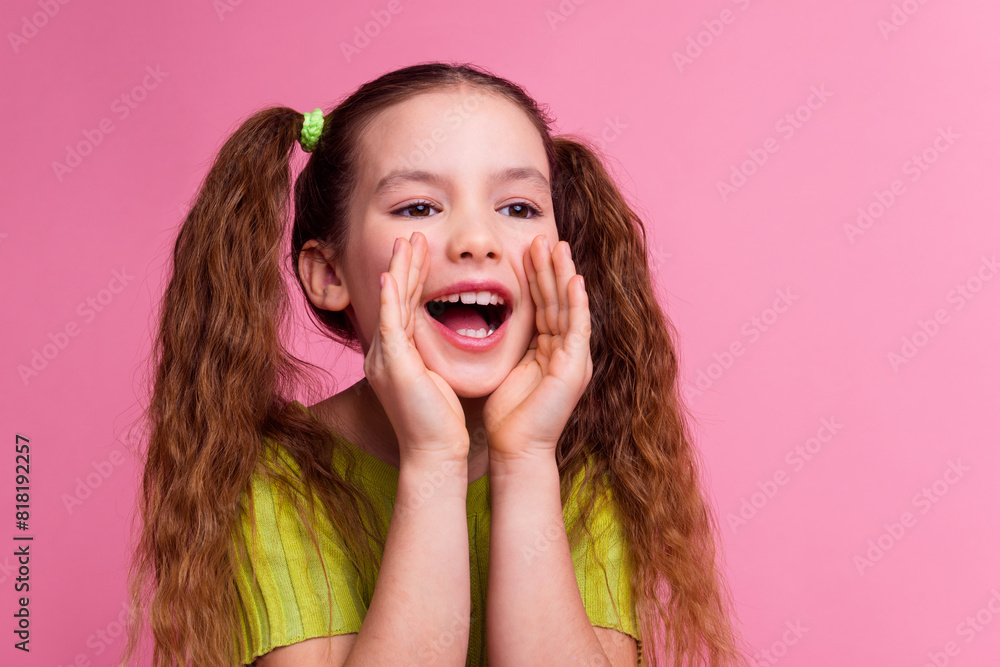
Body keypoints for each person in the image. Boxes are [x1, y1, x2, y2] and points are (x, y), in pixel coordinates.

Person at [122, 62, 751, 666]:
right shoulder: (274, 481)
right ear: (330, 273)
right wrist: (433, 463)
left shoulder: (582, 474)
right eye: (419, 207)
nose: (476, 239)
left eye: (518, 208)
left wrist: (527, 460)